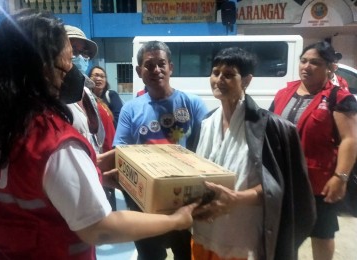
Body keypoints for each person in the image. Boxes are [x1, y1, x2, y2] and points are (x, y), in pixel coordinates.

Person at [0, 10, 198, 259]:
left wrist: (92, 170)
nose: (74, 70)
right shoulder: (54, 142)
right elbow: (100, 229)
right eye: (67, 62)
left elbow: (32, 184)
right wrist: (176, 220)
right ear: (44, 70)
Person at [189, 47, 316, 260]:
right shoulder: (205, 123)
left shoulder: (270, 127)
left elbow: (279, 187)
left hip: (242, 238)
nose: (219, 79)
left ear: (246, 81)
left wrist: (237, 198)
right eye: (215, 72)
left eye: (229, 75)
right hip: (204, 231)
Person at [113, 40, 208, 260]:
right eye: (149, 65)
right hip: (144, 201)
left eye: (161, 63)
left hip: (183, 199)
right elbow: (121, 151)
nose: (156, 70)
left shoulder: (192, 104)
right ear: (139, 71)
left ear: (170, 67)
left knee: (185, 253)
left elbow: (206, 149)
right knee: (149, 255)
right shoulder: (130, 109)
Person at [270, 41, 357, 260]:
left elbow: (349, 140)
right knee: (286, 233)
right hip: (284, 179)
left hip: (319, 182)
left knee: (322, 233)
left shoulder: (339, 97)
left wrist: (341, 177)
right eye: (304, 61)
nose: (306, 66)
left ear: (330, 67)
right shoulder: (284, 92)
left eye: (315, 63)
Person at [62, 24, 117, 209]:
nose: (80, 57)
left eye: (84, 52)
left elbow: (95, 140)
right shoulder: (51, 96)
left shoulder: (88, 93)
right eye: (73, 50)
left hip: (93, 180)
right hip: (67, 191)